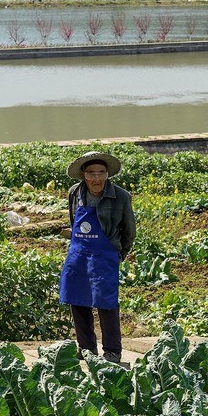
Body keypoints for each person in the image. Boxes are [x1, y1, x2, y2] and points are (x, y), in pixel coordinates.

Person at [58, 151, 135, 364]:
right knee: (78, 300)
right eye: (91, 173)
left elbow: (129, 232)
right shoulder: (75, 192)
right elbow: (74, 221)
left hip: (105, 254)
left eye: (101, 173)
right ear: (83, 174)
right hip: (79, 254)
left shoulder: (120, 196)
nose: (96, 178)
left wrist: (118, 254)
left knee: (106, 302)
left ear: (107, 174)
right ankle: (86, 348)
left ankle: (112, 351)